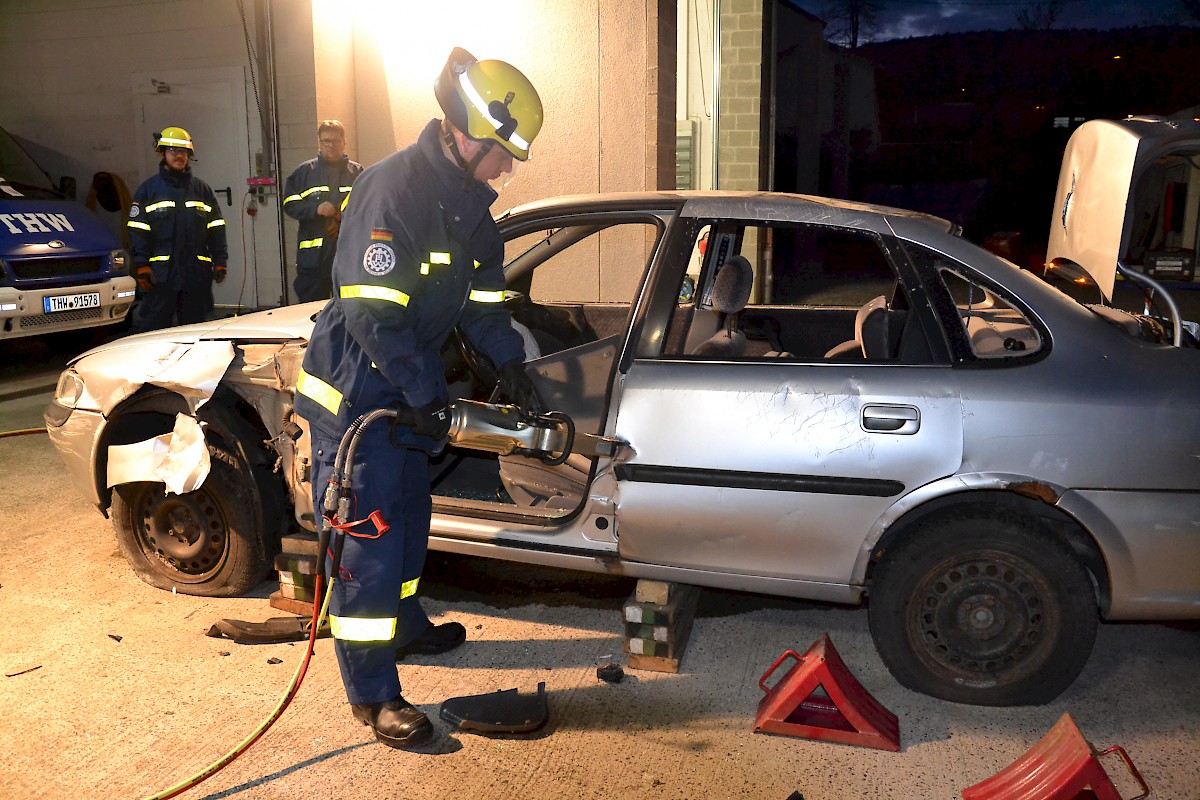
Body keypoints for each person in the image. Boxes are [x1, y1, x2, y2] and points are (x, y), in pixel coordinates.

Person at [293, 48, 546, 750]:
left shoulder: (472, 214)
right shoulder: (391, 189)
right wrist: (429, 394)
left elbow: (487, 309)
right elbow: (375, 314)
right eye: (503, 152)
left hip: (404, 395)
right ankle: (372, 696)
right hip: (356, 399)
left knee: (407, 521)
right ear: (466, 133)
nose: (508, 168)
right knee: (368, 542)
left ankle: (405, 627)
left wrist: (511, 365)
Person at [126, 126, 228, 332]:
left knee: (195, 332)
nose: (179, 156)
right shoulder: (148, 190)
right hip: (160, 278)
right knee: (153, 332)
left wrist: (220, 261)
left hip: (195, 276)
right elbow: (137, 231)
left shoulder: (202, 190)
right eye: (173, 151)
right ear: (163, 153)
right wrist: (142, 266)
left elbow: (216, 228)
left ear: (189, 155)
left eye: (183, 151)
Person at [282, 120, 364, 302]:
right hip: (313, 262)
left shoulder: (357, 173)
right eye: (326, 141)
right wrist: (315, 209)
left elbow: (367, 207)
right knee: (311, 313)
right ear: (319, 142)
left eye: (335, 141)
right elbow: (289, 203)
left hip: (347, 259)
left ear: (344, 142)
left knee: (348, 312)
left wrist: (341, 216)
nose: (330, 145)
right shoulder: (304, 173)